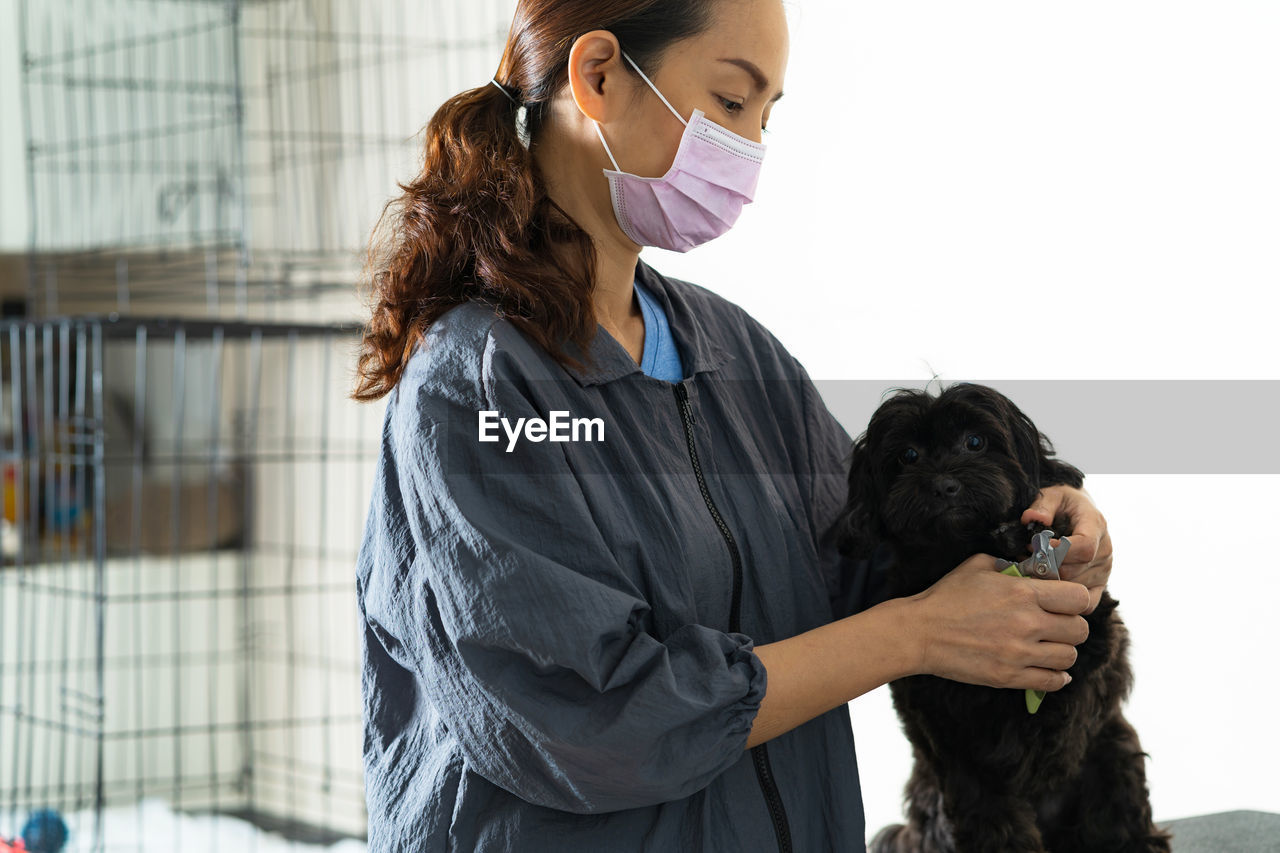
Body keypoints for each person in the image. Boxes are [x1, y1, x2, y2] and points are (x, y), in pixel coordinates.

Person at [350, 0, 1112, 850]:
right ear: (598, 76)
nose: (749, 148)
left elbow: (874, 556)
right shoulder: (484, 391)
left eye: (766, 114)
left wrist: (1045, 534)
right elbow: (593, 716)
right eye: (730, 102)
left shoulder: (735, 356)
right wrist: (918, 632)